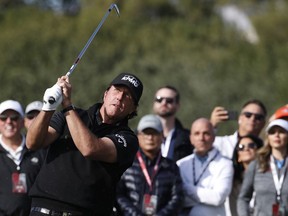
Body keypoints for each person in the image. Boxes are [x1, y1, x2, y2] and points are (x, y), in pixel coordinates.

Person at [26, 72, 143, 215]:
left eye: (128, 96)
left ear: (133, 108)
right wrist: (48, 106)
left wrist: (67, 105)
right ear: (106, 94)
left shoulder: (128, 139)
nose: (119, 97)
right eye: (117, 90)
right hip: (42, 209)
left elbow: (90, 149)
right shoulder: (70, 116)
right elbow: (33, 143)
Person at [116, 114, 183, 215]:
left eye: (154, 133)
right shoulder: (126, 164)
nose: (150, 137)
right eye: (146, 133)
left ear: (162, 136)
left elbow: (178, 197)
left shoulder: (171, 167)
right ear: (138, 136)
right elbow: (118, 195)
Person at [177, 118, 234, 216]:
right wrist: (207, 195)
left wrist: (185, 187)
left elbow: (218, 198)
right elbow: (179, 198)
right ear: (191, 138)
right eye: (197, 133)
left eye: (206, 133)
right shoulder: (181, 164)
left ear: (214, 137)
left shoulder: (225, 164)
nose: (201, 138)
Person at [0, 100, 45, 216]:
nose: (9, 122)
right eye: (3, 118)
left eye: (14, 118)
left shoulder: (38, 148)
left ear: (22, 121)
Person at [237, 119, 288, 216]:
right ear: (268, 137)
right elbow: (243, 198)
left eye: (281, 132)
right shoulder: (257, 165)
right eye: (272, 132)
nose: (276, 135)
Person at [153, 85, 193, 162]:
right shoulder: (139, 136)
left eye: (169, 100)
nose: (164, 103)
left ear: (178, 105)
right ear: (154, 103)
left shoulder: (188, 138)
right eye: (159, 99)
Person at [229, 134, 263, 216]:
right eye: (241, 147)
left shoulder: (268, 175)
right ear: (238, 157)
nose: (246, 148)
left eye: (251, 145)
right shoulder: (233, 180)